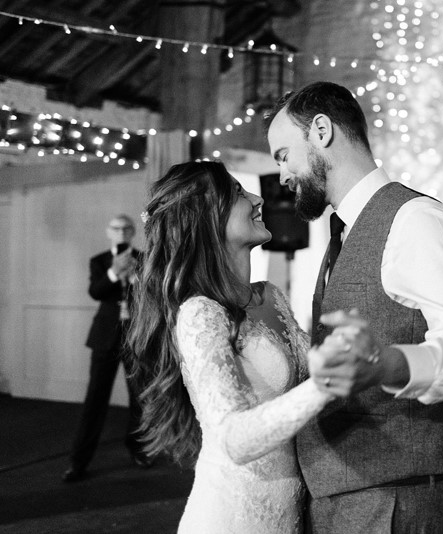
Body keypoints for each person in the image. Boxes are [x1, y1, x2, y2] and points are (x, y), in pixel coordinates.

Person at [265, 81, 443, 533]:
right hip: (342, 499)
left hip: (398, 504)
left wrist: (388, 363)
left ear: (321, 130)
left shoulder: (416, 221)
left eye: (283, 155)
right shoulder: (342, 232)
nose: (283, 175)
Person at [127, 161, 348, 533]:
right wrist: (324, 385)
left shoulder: (270, 297)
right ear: (205, 218)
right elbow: (233, 439)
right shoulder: (201, 313)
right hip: (233, 517)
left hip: (292, 513)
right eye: (237, 192)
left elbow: (304, 375)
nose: (258, 197)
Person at [62, 214, 150, 483]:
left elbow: (152, 294)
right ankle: (79, 461)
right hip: (105, 338)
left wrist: (135, 276)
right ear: (108, 232)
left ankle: (138, 450)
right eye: (116, 228)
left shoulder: (144, 259)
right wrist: (114, 272)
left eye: (126, 228)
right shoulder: (99, 261)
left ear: (133, 231)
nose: (121, 232)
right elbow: (96, 292)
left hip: (135, 338)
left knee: (139, 399)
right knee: (95, 400)